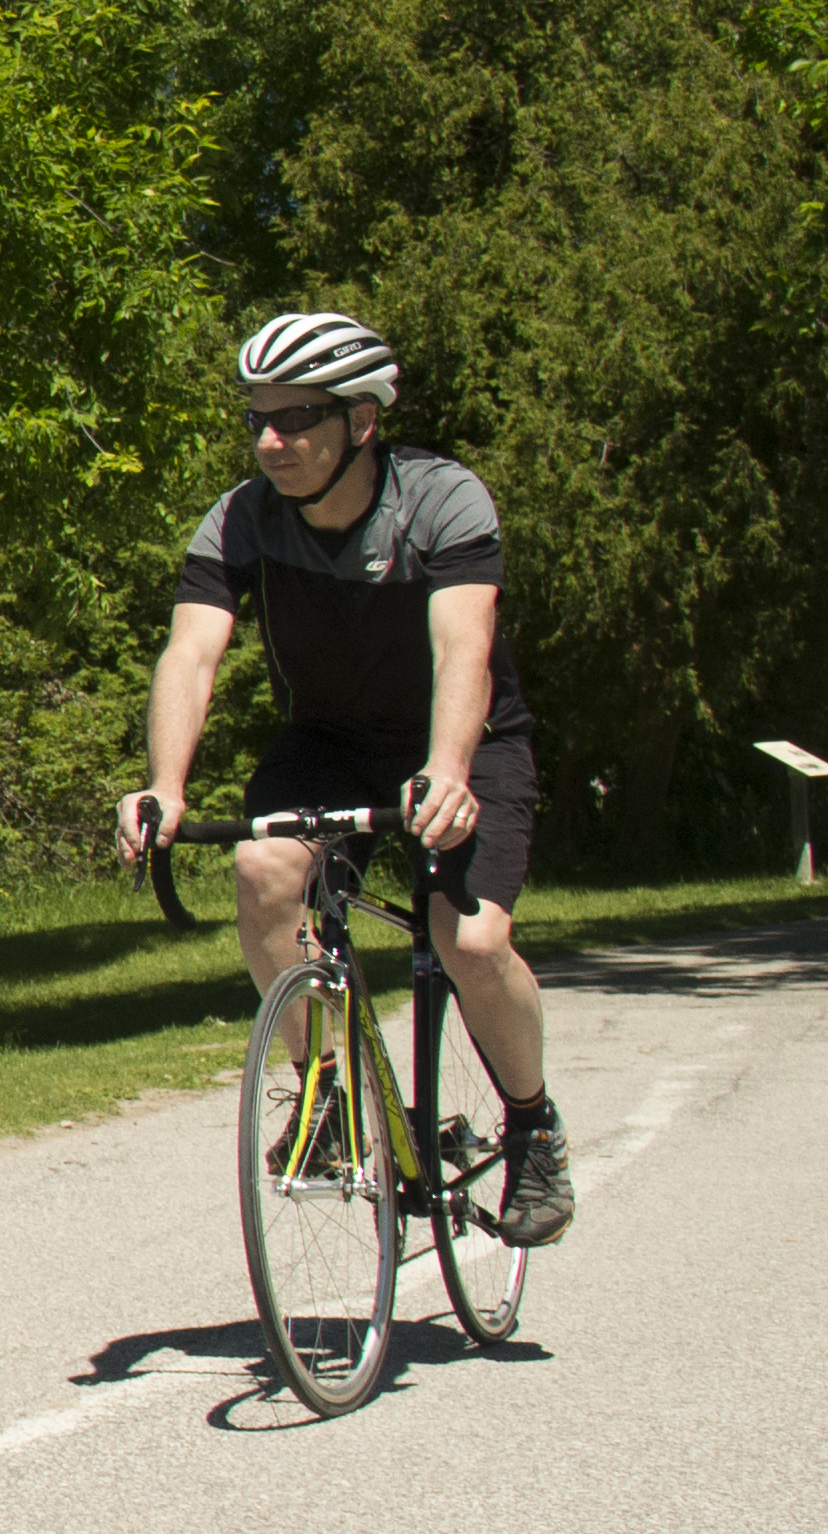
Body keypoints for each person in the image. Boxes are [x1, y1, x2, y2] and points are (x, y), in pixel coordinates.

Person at [111, 312, 571, 1243]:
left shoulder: (440, 499)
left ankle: (533, 1128)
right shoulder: (244, 517)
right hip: (327, 741)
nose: (270, 441)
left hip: (466, 741)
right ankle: (331, 1101)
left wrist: (447, 771)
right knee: (264, 872)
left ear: (361, 421)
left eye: (296, 418)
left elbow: (462, 647)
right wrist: (165, 782)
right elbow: (192, 654)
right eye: (257, 421)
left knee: (472, 944)